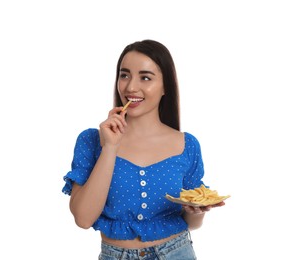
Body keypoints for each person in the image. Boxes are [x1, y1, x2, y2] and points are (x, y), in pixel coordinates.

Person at [62, 39, 225, 259]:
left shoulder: (187, 145)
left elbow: (192, 224)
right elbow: (83, 219)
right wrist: (110, 148)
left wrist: (194, 211)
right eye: (124, 75)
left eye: (145, 77)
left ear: (165, 85)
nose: (130, 87)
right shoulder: (91, 141)